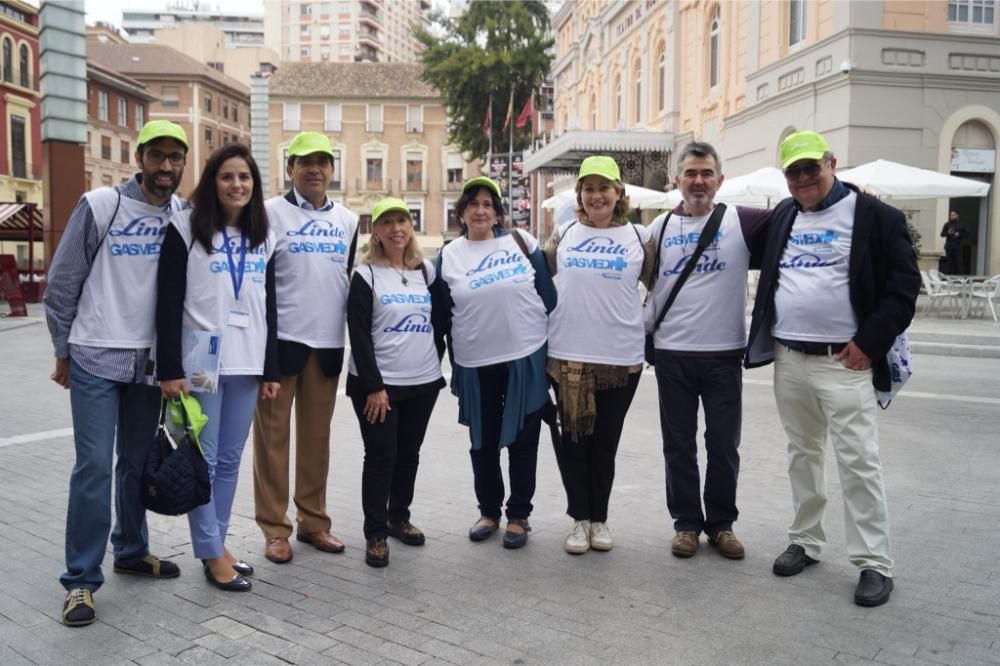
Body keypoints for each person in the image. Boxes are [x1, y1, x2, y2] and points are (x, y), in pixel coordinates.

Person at [745, 130, 920, 607]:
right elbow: (732, 231)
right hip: (790, 358)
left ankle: (874, 563)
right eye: (794, 171)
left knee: (859, 461)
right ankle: (806, 540)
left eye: (811, 168)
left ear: (832, 164)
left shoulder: (876, 216)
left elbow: (904, 288)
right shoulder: (785, 214)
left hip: (844, 362)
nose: (803, 178)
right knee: (802, 454)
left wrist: (869, 341)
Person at [44, 120, 189, 627]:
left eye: (176, 158)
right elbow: (61, 285)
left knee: (134, 464)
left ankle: (130, 550)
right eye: (159, 157)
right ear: (141, 157)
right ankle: (81, 579)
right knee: (92, 468)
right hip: (95, 355)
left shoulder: (184, 217)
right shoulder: (101, 205)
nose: (166, 167)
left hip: (148, 365)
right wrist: (63, 350)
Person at [156, 143, 280, 592]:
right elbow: (167, 301)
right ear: (213, 181)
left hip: (247, 361)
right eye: (228, 177)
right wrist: (168, 368)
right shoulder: (186, 227)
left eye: (245, 178)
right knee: (202, 462)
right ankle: (210, 552)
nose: (237, 185)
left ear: (254, 185)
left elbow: (269, 305)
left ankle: (219, 545)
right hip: (201, 362)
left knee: (228, 460)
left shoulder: (263, 235)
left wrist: (271, 370)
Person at [646, 142, 769, 560]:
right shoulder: (657, 229)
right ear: (677, 180)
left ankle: (721, 525)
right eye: (691, 173)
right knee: (677, 444)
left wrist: (857, 201)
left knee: (722, 444)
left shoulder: (743, 221)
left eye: (706, 173)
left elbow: (797, 221)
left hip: (723, 355)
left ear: (720, 179)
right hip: (672, 354)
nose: (698, 181)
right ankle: (686, 524)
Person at [430, 176, 556, 549]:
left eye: (488, 204)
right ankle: (488, 511)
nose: (481, 210)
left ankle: (519, 515)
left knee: (524, 440)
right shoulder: (449, 255)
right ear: (462, 212)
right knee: (482, 441)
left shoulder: (522, 242)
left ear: (498, 212)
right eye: (473, 204)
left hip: (525, 358)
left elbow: (548, 296)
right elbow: (442, 314)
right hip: (475, 361)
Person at [253, 132, 358, 564]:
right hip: (280, 348)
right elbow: (257, 285)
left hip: (328, 347)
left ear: (332, 169)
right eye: (304, 161)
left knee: (317, 442)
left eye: (322, 161)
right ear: (290, 168)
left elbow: (346, 279)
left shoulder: (349, 221)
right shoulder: (268, 214)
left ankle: (314, 522)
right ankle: (275, 529)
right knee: (272, 443)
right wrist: (263, 360)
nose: (314, 168)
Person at [544, 156, 653, 555]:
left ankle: (601, 519)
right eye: (588, 189)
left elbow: (659, 286)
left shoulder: (640, 238)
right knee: (574, 442)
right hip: (568, 356)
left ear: (618, 192)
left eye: (603, 188)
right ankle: (580, 520)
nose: (596, 196)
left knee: (605, 442)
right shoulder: (565, 233)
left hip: (620, 360)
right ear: (580, 195)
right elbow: (539, 279)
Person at [346, 197, 446, 567]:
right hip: (378, 387)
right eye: (386, 223)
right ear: (376, 232)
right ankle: (375, 533)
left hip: (422, 382)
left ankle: (399, 517)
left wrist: (434, 357)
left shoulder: (426, 271)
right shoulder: (366, 274)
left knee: (408, 454)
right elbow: (358, 333)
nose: (396, 229)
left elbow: (443, 317)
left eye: (402, 221)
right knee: (381, 455)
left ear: (411, 226)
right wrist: (374, 386)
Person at [940, 210, 967, 275]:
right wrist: (948, 233)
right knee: (949, 262)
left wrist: (959, 234)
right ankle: (949, 277)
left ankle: (961, 277)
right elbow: (942, 234)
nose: (952, 216)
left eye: (953, 215)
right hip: (949, 246)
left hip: (958, 246)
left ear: (957, 216)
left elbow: (967, 234)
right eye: (951, 215)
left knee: (959, 261)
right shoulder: (947, 224)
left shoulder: (962, 225)